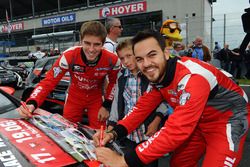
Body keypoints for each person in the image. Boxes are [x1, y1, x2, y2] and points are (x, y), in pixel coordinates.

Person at [93, 30, 250, 167]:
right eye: (139, 59)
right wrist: (113, 133)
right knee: (179, 163)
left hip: (228, 121)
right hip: (197, 122)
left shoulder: (192, 77)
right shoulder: (160, 77)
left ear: (166, 53)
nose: (146, 64)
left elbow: (177, 129)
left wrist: (124, 161)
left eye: (152, 55)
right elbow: (140, 109)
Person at [17, 21, 121, 129]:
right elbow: (49, 81)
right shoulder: (69, 55)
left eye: (96, 44)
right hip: (74, 98)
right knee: (68, 132)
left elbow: (114, 83)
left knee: (100, 132)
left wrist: (107, 106)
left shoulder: (112, 59)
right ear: (81, 41)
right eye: (87, 43)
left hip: (96, 98)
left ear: (103, 43)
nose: (91, 49)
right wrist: (32, 102)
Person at [108, 39, 170, 167]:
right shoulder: (122, 79)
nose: (126, 62)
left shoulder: (151, 75)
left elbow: (164, 100)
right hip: (129, 135)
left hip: (148, 133)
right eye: (122, 58)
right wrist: (111, 124)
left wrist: (157, 120)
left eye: (129, 56)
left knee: (150, 163)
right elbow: (117, 104)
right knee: (130, 163)